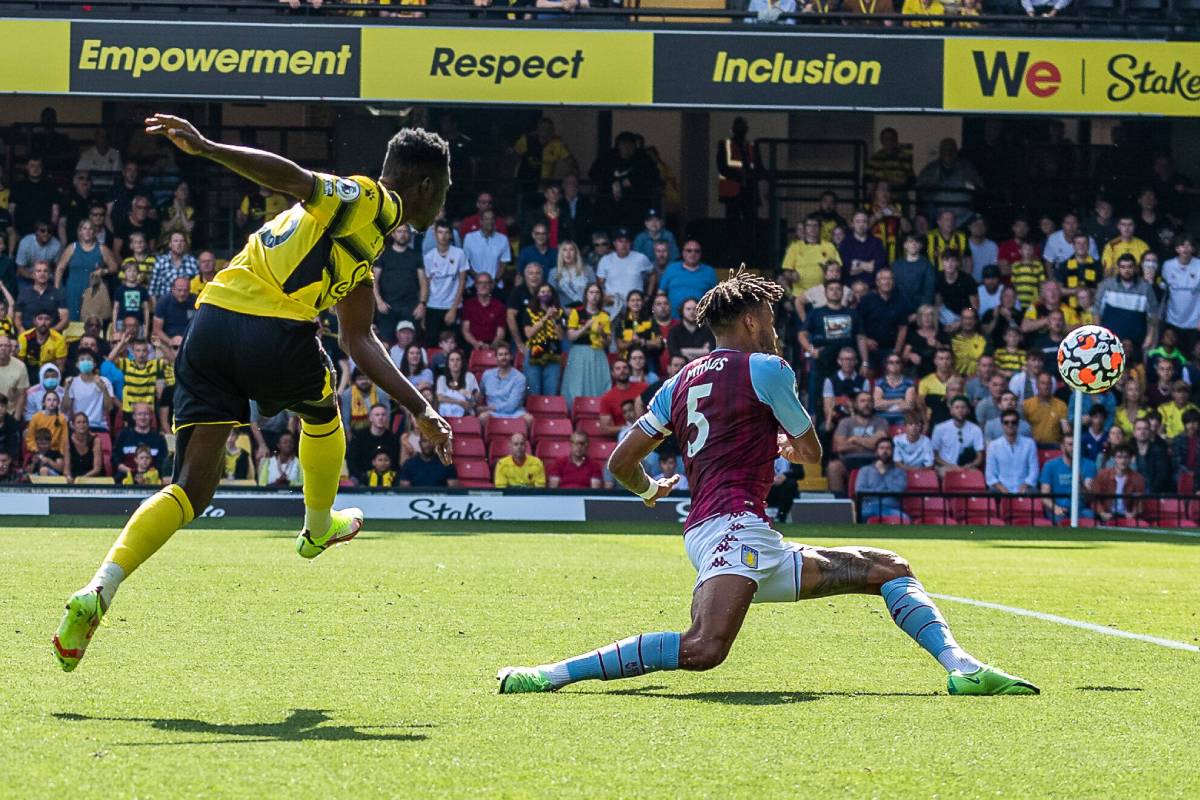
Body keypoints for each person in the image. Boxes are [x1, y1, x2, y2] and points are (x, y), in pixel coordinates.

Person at [498, 269, 1036, 697]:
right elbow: (811, 452)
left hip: (733, 532)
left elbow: (620, 461)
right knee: (705, 647)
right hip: (734, 528)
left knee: (888, 568)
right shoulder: (767, 368)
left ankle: (961, 665)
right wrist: (785, 445)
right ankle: (551, 673)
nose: (775, 323)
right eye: (771, 314)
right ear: (753, 319)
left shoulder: (676, 384)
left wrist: (648, 491)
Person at [52, 113, 454, 672]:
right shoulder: (370, 199)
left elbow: (360, 338)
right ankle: (316, 528)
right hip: (268, 328)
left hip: (211, 326)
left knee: (192, 488)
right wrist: (206, 146)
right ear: (427, 187)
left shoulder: (358, 243)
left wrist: (420, 407)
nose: (445, 202)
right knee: (322, 403)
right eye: (446, 190)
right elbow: (296, 179)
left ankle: (99, 588)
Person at [826, 391, 889, 496]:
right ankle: (840, 504)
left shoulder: (881, 422)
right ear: (856, 404)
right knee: (833, 467)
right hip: (847, 461)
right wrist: (869, 444)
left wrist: (855, 439)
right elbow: (841, 447)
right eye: (863, 401)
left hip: (873, 461)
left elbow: (879, 445)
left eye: (869, 401)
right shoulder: (845, 422)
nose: (866, 404)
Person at [561, 284, 612, 407]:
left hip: (598, 353)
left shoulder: (604, 315)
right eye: (591, 292)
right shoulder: (577, 313)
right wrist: (585, 327)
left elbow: (608, 341)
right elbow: (571, 336)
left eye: (597, 293)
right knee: (576, 385)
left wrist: (603, 334)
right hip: (579, 353)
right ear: (586, 295)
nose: (594, 296)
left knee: (598, 384)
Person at [373, 224, 426, 338]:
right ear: (393, 234)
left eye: (405, 232)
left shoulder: (416, 256)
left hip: (411, 308)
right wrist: (379, 302)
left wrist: (422, 304)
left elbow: (423, 283)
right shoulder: (383, 254)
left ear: (410, 235)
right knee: (385, 345)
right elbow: (374, 280)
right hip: (387, 307)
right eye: (399, 231)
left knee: (411, 345)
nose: (402, 235)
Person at [421, 219, 467, 347]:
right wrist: (424, 311)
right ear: (435, 235)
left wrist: (453, 308)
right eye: (440, 232)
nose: (443, 236)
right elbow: (427, 285)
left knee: (453, 344)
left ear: (451, 235)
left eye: (447, 232)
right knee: (432, 343)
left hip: (452, 305)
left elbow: (462, 282)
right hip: (433, 306)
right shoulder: (428, 257)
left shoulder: (459, 254)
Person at [1039, 434, 1096, 524]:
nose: (1073, 448)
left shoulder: (1089, 465)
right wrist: (1056, 508)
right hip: (1057, 508)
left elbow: (1089, 497)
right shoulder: (1049, 465)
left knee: (1091, 516)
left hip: (1080, 509)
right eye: (1070, 444)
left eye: (1076, 444)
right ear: (1062, 447)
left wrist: (1080, 483)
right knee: (1059, 519)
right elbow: (1044, 496)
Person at [596, 228, 651, 319]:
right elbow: (599, 283)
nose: (623, 245)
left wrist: (647, 295)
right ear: (614, 243)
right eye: (620, 241)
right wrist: (603, 297)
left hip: (635, 306)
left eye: (627, 241)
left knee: (636, 332)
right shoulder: (605, 260)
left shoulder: (640, 258)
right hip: (612, 307)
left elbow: (652, 274)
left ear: (630, 243)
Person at [478, 343, 533, 427]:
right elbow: (479, 395)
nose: (503, 357)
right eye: (500, 355)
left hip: (514, 412)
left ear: (511, 357)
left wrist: (490, 408)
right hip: (493, 413)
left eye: (506, 354)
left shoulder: (520, 378)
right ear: (496, 358)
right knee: (482, 417)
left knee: (529, 419)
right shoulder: (487, 375)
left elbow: (512, 405)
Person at [658, 241, 717, 319]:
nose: (693, 253)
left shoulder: (709, 272)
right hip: (673, 321)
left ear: (700, 254)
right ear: (683, 253)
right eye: (689, 250)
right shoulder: (671, 268)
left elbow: (715, 298)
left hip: (699, 322)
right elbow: (660, 293)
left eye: (697, 251)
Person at [854, 438, 909, 520]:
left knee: (905, 519)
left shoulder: (899, 471)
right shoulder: (865, 470)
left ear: (893, 452)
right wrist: (886, 492)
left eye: (888, 448)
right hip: (869, 508)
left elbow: (898, 491)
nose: (885, 451)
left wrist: (884, 473)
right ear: (876, 452)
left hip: (891, 509)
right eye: (882, 448)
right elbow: (859, 492)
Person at [985, 411, 1038, 494]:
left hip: (1025, 488)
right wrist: (1003, 489)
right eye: (1006, 422)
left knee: (1034, 493)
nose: (1010, 425)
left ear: (1018, 424)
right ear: (1002, 425)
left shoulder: (1029, 443)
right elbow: (990, 475)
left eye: (1014, 422)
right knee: (991, 493)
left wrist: (1025, 485)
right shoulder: (993, 446)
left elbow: (1034, 471)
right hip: (1001, 490)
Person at [931, 396, 984, 476]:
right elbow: (935, 455)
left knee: (976, 475)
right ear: (951, 411)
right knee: (946, 474)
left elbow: (979, 457)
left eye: (963, 407)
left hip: (967, 467)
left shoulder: (976, 429)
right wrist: (951, 466)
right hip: (945, 466)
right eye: (957, 407)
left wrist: (970, 465)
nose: (960, 410)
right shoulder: (940, 428)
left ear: (968, 410)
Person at [1092, 445, 1144, 524]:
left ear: (1131, 459)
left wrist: (1133, 514)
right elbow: (1094, 499)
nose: (1123, 461)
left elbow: (1139, 502)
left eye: (1126, 457)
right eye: (1119, 457)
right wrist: (1102, 513)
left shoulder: (1138, 478)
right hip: (1106, 515)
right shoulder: (1102, 475)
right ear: (1114, 458)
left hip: (1127, 516)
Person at [598, 360, 648, 437]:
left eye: (625, 368)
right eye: (618, 368)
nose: (622, 371)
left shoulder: (644, 388)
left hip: (647, 430)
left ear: (630, 371)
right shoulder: (607, 398)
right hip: (624, 436)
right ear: (612, 373)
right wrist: (627, 428)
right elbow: (605, 428)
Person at [1023, 373, 1068, 446]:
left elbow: (1066, 429)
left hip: (1054, 446)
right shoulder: (1026, 405)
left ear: (1052, 386)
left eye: (1049, 383)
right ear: (1037, 385)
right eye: (1042, 383)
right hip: (1032, 445)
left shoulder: (1061, 405)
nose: (1046, 386)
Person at [1131, 417, 1172, 494]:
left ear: (1150, 432)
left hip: (1152, 492)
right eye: (1139, 429)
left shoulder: (1159, 450)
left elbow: (1162, 476)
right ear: (1134, 432)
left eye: (1145, 429)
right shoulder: (1128, 450)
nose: (1142, 432)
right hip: (1130, 492)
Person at [548, 239, 594, 309]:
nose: (568, 253)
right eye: (564, 250)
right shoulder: (554, 272)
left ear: (576, 253)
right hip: (563, 311)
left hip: (586, 309)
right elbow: (550, 295)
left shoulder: (588, 270)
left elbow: (595, 292)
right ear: (561, 253)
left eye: (571, 250)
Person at [66, 411, 102, 482]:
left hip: (92, 479)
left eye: (84, 422)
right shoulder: (68, 441)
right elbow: (66, 469)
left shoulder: (96, 440)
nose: (82, 425)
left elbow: (97, 469)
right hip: (74, 478)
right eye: (78, 422)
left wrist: (81, 480)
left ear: (88, 424)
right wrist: (69, 477)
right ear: (73, 425)